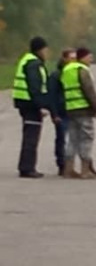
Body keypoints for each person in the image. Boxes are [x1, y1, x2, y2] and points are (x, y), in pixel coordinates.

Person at [11, 36, 52, 179]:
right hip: (30, 105)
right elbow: (35, 87)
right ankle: (27, 168)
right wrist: (41, 106)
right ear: (40, 49)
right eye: (45, 49)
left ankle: (26, 166)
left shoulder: (26, 60)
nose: (47, 52)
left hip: (24, 103)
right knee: (31, 137)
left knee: (29, 135)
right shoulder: (34, 64)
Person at [61, 47, 96, 180]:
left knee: (72, 140)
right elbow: (89, 90)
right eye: (90, 57)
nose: (91, 60)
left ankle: (68, 169)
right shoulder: (82, 70)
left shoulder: (66, 70)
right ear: (83, 57)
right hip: (83, 109)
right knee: (86, 139)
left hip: (70, 109)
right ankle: (85, 170)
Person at [47, 48, 76, 176]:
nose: (73, 61)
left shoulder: (76, 73)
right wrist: (54, 114)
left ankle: (71, 165)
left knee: (74, 139)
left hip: (74, 110)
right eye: (71, 58)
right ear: (64, 59)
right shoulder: (56, 75)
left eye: (75, 58)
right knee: (61, 138)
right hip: (61, 111)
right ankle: (62, 165)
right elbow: (51, 95)